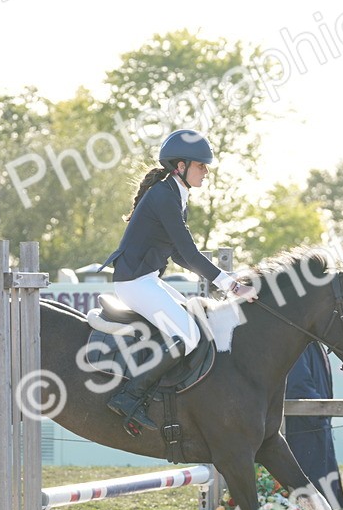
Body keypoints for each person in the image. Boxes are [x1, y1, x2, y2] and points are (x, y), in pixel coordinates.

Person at [101, 129, 257, 434]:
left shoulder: (173, 194)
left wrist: (224, 280)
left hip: (145, 279)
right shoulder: (164, 195)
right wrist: (231, 286)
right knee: (187, 336)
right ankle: (129, 397)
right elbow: (189, 251)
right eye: (201, 166)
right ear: (181, 166)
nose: (206, 172)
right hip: (134, 282)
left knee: (194, 325)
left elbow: (180, 256)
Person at [284, 341, 343, 510]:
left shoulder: (313, 343)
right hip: (305, 424)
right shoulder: (301, 344)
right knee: (309, 482)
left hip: (317, 421)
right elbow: (298, 387)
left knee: (319, 480)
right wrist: (321, 414)